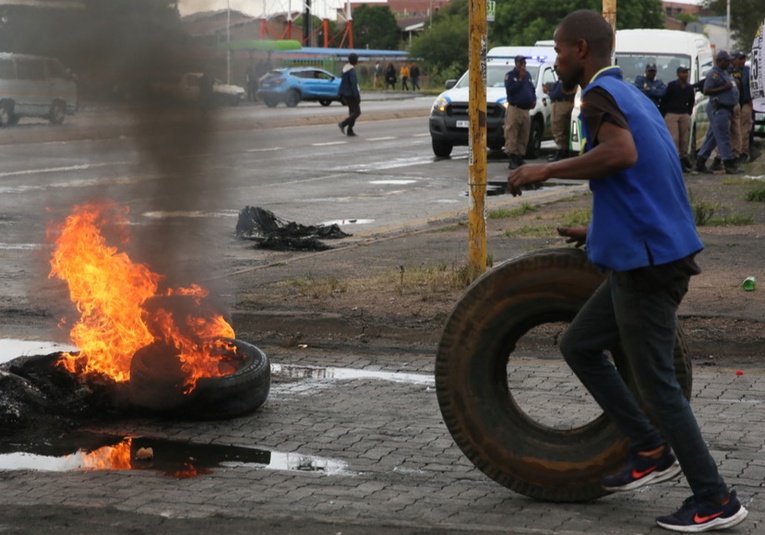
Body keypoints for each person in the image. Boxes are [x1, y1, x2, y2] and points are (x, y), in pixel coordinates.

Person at [507, 10, 748, 533]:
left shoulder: (596, 98)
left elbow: (621, 154)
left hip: (650, 264)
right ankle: (649, 448)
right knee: (579, 345)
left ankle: (715, 499)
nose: (555, 58)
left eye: (559, 48)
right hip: (644, 253)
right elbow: (647, 178)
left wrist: (543, 169)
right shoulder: (631, 95)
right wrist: (597, 233)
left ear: (582, 50)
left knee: (658, 383)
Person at [694, 50, 741, 174]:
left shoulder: (724, 72)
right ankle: (728, 164)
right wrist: (724, 88)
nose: (729, 62)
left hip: (727, 109)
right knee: (723, 137)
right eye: (726, 60)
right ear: (720, 61)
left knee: (713, 137)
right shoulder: (713, 74)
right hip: (719, 108)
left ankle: (701, 160)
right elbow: (706, 90)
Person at [660, 66, 695, 172]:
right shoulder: (672, 86)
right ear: (678, 74)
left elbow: (691, 101)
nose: (685, 75)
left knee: (684, 139)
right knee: (674, 138)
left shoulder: (689, 87)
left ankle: (684, 159)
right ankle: (674, 160)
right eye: (683, 73)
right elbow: (664, 100)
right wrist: (664, 114)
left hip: (683, 114)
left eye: (686, 73)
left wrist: (688, 113)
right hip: (672, 114)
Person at [504, 55, 536, 170]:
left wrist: (533, 99)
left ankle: (519, 157)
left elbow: (531, 88)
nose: (523, 65)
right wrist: (520, 79)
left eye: (524, 63)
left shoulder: (527, 75)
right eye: (521, 63)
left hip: (525, 109)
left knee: (524, 134)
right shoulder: (510, 76)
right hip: (515, 109)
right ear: (516, 64)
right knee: (512, 133)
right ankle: (512, 157)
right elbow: (510, 90)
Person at [544, 79, 575, 162]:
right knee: (564, 129)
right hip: (565, 103)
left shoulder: (566, 81)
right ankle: (564, 151)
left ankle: (561, 151)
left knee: (558, 128)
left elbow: (557, 93)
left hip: (560, 104)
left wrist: (550, 93)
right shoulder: (559, 82)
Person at [732, 52, 753, 163]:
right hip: (732, 104)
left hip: (745, 103)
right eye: (740, 59)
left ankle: (743, 153)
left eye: (743, 59)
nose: (742, 61)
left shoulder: (748, 71)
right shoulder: (730, 71)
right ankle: (733, 153)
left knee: (744, 130)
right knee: (733, 130)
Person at [337, 53, 361, 137]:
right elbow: (353, 83)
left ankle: (350, 130)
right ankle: (343, 124)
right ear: (355, 61)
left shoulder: (345, 68)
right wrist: (356, 95)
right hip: (351, 94)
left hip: (345, 94)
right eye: (357, 59)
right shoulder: (351, 71)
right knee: (357, 112)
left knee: (352, 112)